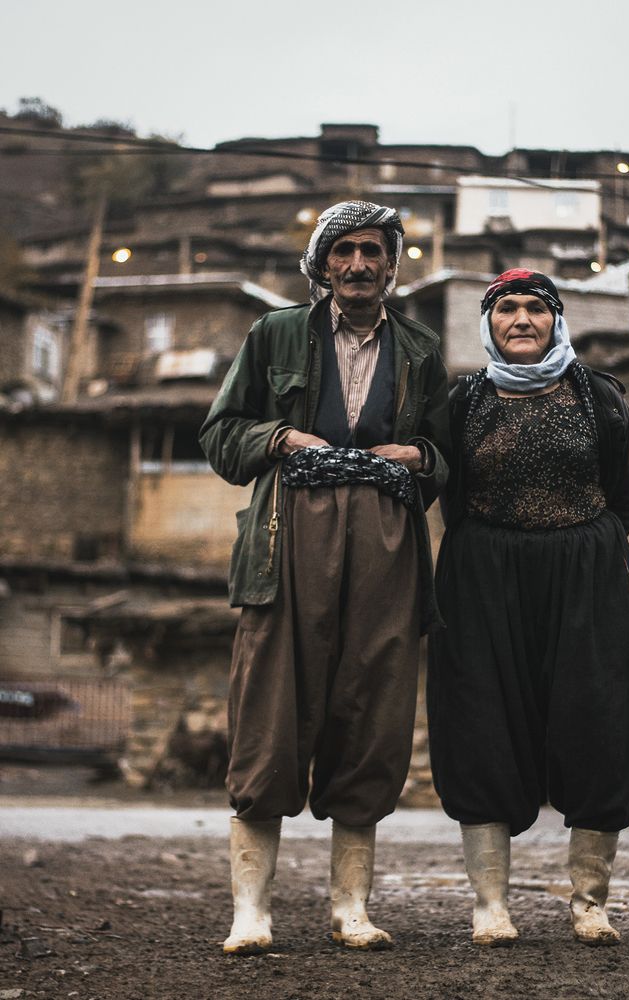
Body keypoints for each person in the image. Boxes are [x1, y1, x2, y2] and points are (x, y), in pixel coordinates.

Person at [200, 201, 450, 953]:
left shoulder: (421, 347)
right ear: (322, 264)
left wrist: (420, 459)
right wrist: (278, 435)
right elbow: (220, 435)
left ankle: (351, 909)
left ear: (391, 263)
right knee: (269, 718)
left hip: (385, 549)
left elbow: (444, 458)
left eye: (373, 250)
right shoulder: (275, 333)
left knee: (371, 715)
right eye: (343, 251)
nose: (359, 264)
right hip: (286, 545)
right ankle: (252, 912)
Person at [427, 269, 629, 947]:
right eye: (506, 309)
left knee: (599, 719)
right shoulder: (460, 402)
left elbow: (623, 494)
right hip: (485, 577)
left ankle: (590, 902)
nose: (520, 319)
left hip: (586, 573)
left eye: (534, 309)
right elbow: (447, 493)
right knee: (481, 723)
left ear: (557, 320)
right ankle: (490, 906)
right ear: (487, 323)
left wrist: (583, 548)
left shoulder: (600, 397)